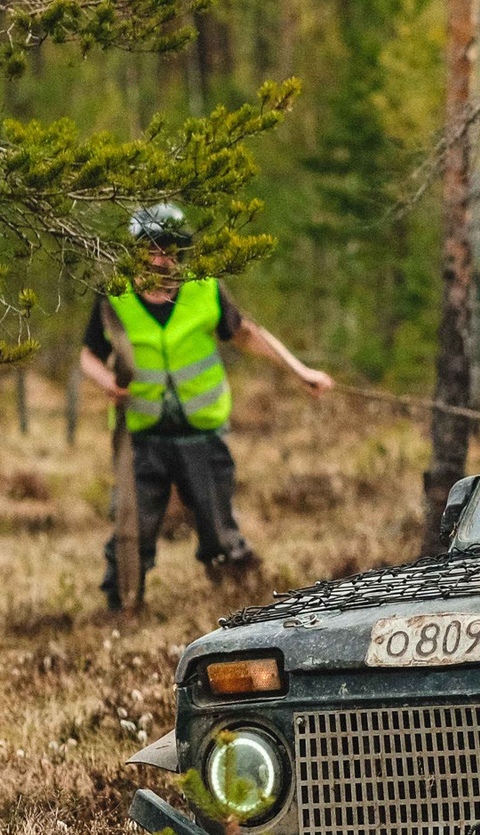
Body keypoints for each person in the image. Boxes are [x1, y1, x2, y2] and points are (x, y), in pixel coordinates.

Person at [79, 206, 334, 607]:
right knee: (132, 529)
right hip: (141, 436)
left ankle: (237, 603)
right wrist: (106, 383)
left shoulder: (204, 289)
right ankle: (123, 608)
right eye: (151, 249)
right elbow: (88, 356)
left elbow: (246, 334)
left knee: (218, 528)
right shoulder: (114, 295)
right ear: (134, 251)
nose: (161, 258)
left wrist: (300, 372)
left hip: (202, 433)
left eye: (169, 249)